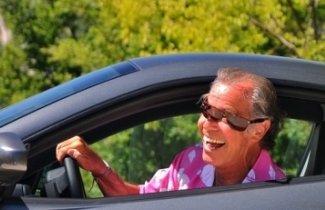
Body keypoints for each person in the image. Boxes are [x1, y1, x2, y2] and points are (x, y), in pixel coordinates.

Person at [55, 67, 286, 196]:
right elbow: (142, 203)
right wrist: (100, 168)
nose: (207, 123)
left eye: (226, 116)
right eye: (207, 110)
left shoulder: (272, 196)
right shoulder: (192, 160)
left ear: (258, 130)